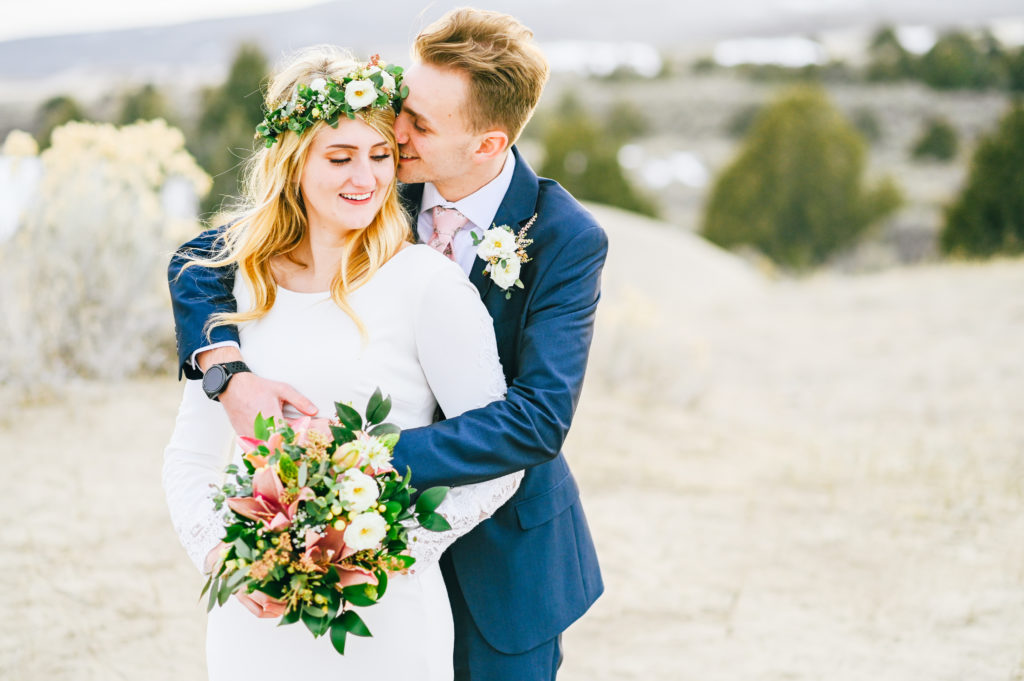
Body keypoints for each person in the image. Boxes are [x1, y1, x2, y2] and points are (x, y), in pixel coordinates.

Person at [168, 8, 607, 681]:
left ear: (486, 144)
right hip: (323, 556)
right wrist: (226, 368)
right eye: (402, 104)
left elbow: (538, 418)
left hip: (500, 557)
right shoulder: (374, 173)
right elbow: (208, 255)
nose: (394, 131)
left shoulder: (563, 237)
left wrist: (353, 470)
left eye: (419, 124)